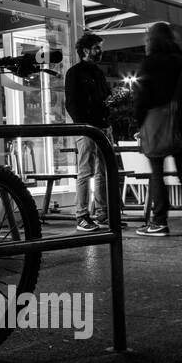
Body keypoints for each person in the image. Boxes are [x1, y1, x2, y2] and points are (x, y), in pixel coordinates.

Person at [133, 21, 182, 237]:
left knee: (157, 174)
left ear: (151, 40)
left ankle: (159, 221)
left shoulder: (149, 63)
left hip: (156, 124)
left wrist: (140, 123)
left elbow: (141, 98)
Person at [64, 32, 114, 231]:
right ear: (85, 50)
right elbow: (71, 104)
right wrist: (83, 126)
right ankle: (82, 215)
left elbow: (105, 97)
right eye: (96, 48)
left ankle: (103, 214)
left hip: (103, 126)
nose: (100, 51)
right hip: (87, 128)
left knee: (103, 171)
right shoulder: (74, 73)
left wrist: (111, 104)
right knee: (86, 171)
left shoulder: (98, 72)